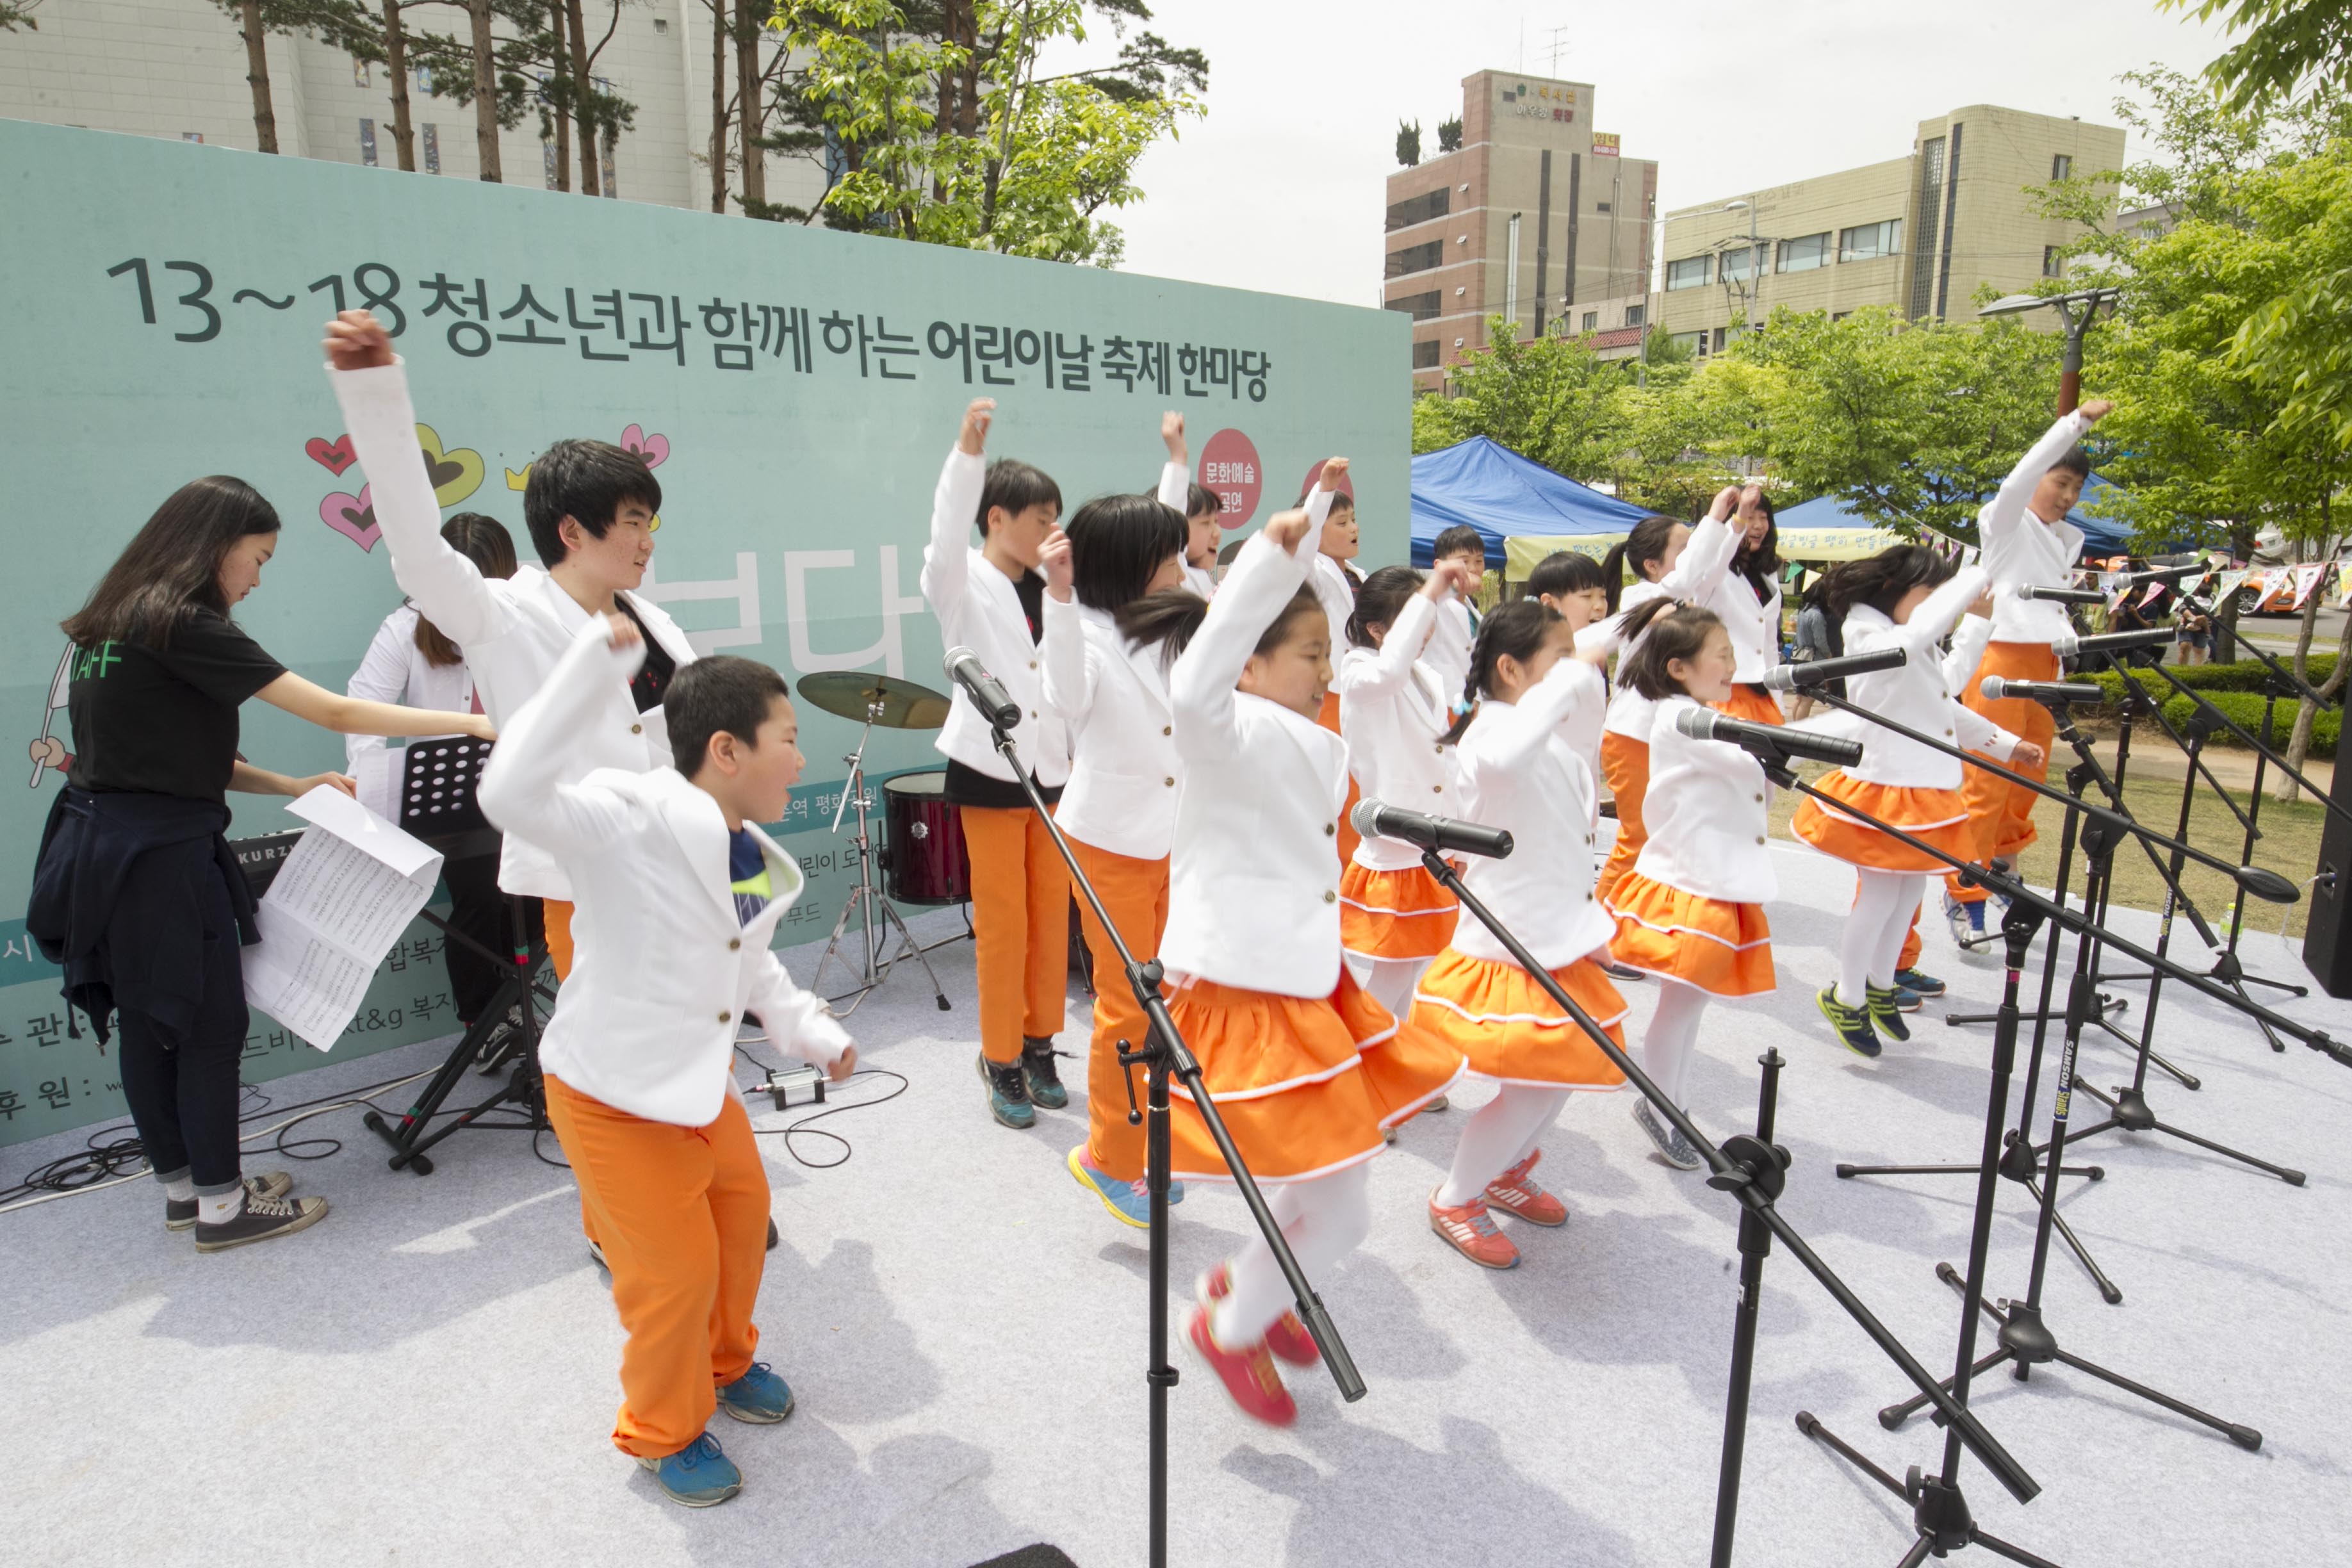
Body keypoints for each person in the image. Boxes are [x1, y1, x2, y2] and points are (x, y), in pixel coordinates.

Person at [26, 476, 496, 1252]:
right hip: (161, 860)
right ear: (216, 548)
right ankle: (224, 1208)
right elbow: (338, 712)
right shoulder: (186, 624)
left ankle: (188, 1193)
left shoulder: (110, 624)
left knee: (148, 1022)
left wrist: (287, 784)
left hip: (96, 846)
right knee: (211, 1026)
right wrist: (472, 722)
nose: (255, 578)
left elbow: (167, 756)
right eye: (258, 558)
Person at [478, 614, 854, 1509]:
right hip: (608, 1093)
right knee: (671, 1274)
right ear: (727, 749)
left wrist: (808, 1029)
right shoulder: (626, 811)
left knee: (742, 1216)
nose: (801, 760)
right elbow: (510, 795)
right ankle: (663, 1430)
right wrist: (583, 671)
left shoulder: (748, 852)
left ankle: (726, 1363)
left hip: (696, 1084)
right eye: (788, 740)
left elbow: (752, 962)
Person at [1143, 462, 1462, 1428]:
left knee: (1332, 1182)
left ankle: (1260, 1293)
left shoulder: (1314, 740)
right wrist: (1280, 550)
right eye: (1307, 654)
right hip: (1249, 991)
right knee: (1344, 1204)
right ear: (1249, 662)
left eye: (1328, 651)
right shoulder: (1222, 725)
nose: (1326, 670)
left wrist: (1314, 530)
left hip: (1307, 984)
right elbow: (1200, 676)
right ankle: (1230, 1325)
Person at [322, 311, 699, 992]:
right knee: (618, 1065)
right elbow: (418, 551)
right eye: (635, 522)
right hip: (590, 877)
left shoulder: (655, 621)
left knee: (688, 1055)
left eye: (651, 522)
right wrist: (376, 396)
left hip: (676, 862)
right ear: (573, 531)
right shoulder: (505, 615)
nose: (648, 541)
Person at [1411, 600, 1626, 1268]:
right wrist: (1570, 676)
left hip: (1557, 939)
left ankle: (1505, 1171)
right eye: (1556, 659)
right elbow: (1502, 767)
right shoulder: (1492, 735)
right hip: (1511, 945)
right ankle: (1457, 1196)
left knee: (1558, 1078)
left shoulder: (1546, 738)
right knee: (1531, 1085)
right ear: (1511, 668)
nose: (1576, 672)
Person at [1790, 550, 2037, 1057]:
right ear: (1893, 588)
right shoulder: (1866, 631)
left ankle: (1880, 985)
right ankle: (1847, 994)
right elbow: (1912, 645)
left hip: (1922, 786)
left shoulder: (1909, 636)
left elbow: (1944, 695)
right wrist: (1967, 598)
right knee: (1880, 897)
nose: (1933, 607)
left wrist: (2006, 743)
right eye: (1929, 594)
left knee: (1905, 897)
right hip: (1887, 785)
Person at [1038, 480, 1194, 1225]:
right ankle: (1107, 1157)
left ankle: (1147, 1146)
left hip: (1167, 837)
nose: (1181, 567)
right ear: (1134, 565)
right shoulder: (1087, 634)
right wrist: (1061, 601)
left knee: (1164, 1000)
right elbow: (1065, 699)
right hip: (1108, 842)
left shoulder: (1159, 623)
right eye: (1168, 557)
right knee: (1127, 1004)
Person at [923, 398, 1074, 1129]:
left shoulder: (1056, 588)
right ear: (997, 518)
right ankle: (1000, 1056)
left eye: (1055, 516)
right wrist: (968, 455)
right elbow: (942, 538)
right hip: (988, 768)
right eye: (1040, 516)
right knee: (1006, 923)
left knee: (1052, 917)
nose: (1051, 528)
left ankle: (1041, 1043)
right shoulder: (963, 582)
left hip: (1053, 774)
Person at [345, 512, 544, 1046]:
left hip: (530, 792)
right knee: (480, 902)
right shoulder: (405, 628)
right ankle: (483, 1024)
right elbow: (362, 709)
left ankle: (518, 1009)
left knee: (536, 905)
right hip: (454, 803)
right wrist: (370, 794)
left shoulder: (527, 615)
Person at [1600, 602, 1777, 1171]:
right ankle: (1662, 1105)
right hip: (1688, 887)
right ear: (1678, 667)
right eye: (1721, 655)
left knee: (1688, 1004)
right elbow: (1741, 749)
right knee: (1680, 1006)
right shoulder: (1678, 717)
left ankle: (1672, 1103)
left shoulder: (1689, 709)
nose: (1732, 665)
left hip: (1710, 882)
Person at [1947, 398, 2113, 947]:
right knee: (1986, 776)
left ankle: (2003, 868)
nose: (2067, 497)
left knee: (2028, 775)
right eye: (2059, 481)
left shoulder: (2065, 539)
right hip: (2000, 658)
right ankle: (1961, 886)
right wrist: (2076, 423)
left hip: (2048, 663)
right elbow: (2018, 479)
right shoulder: (2006, 522)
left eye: (2075, 488)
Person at [1335, 560, 1478, 1022]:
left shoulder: (1428, 675)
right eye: (1415, 613)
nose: (1428, 623)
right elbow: (1390, 671)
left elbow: (1446, 756)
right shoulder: (1359, 671)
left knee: (1415, 965)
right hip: (1396, 840)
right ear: (1377, 629)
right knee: (1394, 970)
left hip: (1431, 837)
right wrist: (1433, 587)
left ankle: (1395, 1063)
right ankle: (1368, 1062)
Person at [1590, 490, 1745, 910]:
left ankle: (1635, 922)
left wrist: (1738, 525)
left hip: (1664, 736)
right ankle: (1598, 929)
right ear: (1652, 565)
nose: (1692, 553)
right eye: (1683, 546)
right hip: (1633, 736)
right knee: (1638, 836)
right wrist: (1715, 515)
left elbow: (1708, 572)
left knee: (1665, 835)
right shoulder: (1641, 597)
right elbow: (1694, 572)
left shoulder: (1681, 597)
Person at [1303, 474, 1368, 863]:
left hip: (1361, 698)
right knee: (1332, 794)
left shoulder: (1360, 575)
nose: (1354, 529)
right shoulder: (1312, 569)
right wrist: (1323, 489)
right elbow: (1302, 544)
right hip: (1329, 697)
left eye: (1354, 520)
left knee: (1359, 793)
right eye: (1341, 523)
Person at [1702, 487, 1786, 726]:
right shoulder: (1714, 573)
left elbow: (1769, 642)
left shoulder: (1768, 574)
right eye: (1750, 517)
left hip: (1763, 692)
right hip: (1724, 693)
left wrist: (1777, 700)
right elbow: (1712, 563)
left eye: (1764, 517)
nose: (1759, 526)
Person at [1155, 411, 1223, 600]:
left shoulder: (1204, 579)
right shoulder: (1175, 580)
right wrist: (1178, 456)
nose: (1217, 533)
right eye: (1205, 523)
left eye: (1216, 521)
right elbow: (1171, 531)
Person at [1421, 523, 1490, 702]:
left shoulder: (1473, 611)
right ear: (1439, 566)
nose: (1474, 569)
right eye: (1464, 561)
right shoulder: (1432, 602)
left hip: (1471, 703)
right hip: (1439, 700)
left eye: (1479, 561)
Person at [1786, 574, 1842, 723]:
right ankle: (1800, 728)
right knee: (1808, 699)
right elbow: (1820, 641)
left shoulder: (1804, 611)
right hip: (1813, 660)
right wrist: (1829, 655)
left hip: (1798, 656)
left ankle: (1796, 725)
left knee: (1799, 697)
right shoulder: (1817, 616)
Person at [2175, 599, 2212, 666]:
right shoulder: (2187, 595)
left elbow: (2212, 612)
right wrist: (2194, 619)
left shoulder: (2211, 596)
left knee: (2200, 651)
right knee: (2185, 645)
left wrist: (2199, 623)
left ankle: (2197, 671)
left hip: (2203, 627)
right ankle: (2182, 670)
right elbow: (2182, 609)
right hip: (2186, 625)